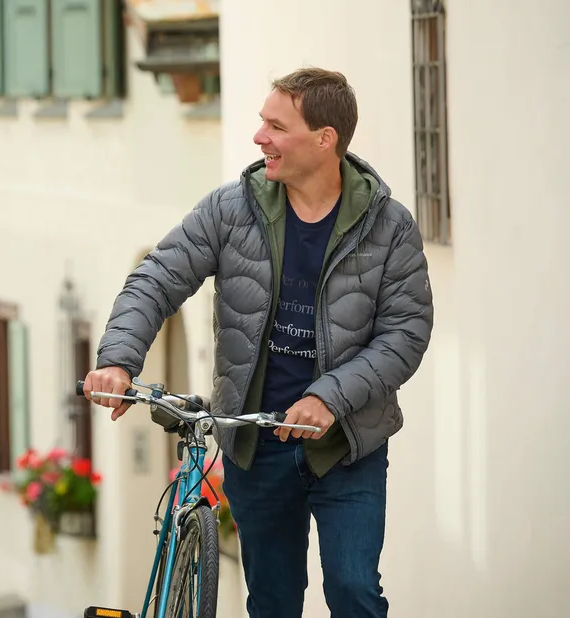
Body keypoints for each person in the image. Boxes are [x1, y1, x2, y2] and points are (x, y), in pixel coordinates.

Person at [82, 67, 433, 618]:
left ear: (325, 139)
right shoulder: (233, 208)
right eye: (261, 123)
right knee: (271, 600)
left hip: (346, 445)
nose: (258, 137)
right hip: (256, 443)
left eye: (276, 125)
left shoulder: (389, 227)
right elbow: (157, 278)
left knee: (354, 591)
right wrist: (117, 361)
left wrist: (328, 398)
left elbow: (405, 333)